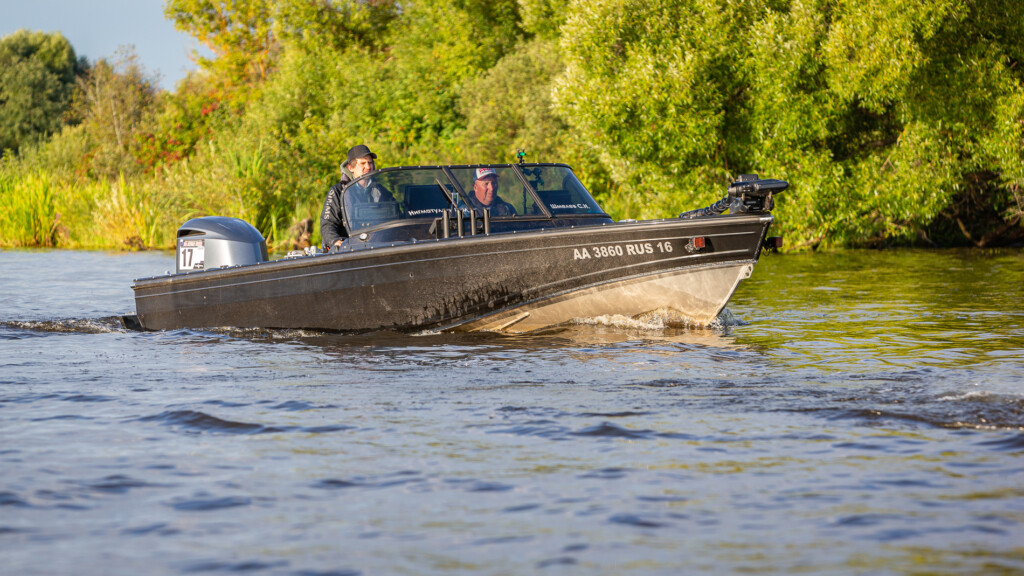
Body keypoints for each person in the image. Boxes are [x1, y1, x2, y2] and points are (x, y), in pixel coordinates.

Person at [320, 144, 392, 250]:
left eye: (370, 162)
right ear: (350, 168)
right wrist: (335, 241)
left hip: (377, 246)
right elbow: (327, 224)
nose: (368, 167)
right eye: (363, 163)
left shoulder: (382, 191)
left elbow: (396, 215)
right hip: (348, 248)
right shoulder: (337, 191)